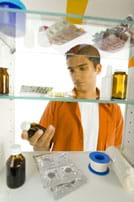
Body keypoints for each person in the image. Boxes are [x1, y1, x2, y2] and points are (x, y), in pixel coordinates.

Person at [22, 44, 123, 151]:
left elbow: (117, 149)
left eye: (82, 68)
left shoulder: (113, 108)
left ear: (98, 69)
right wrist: (39, 146)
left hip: (101, 167)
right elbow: (42, 146)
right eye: (71, 70)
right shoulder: (56, 104)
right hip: (64, 167)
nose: (75, 76)